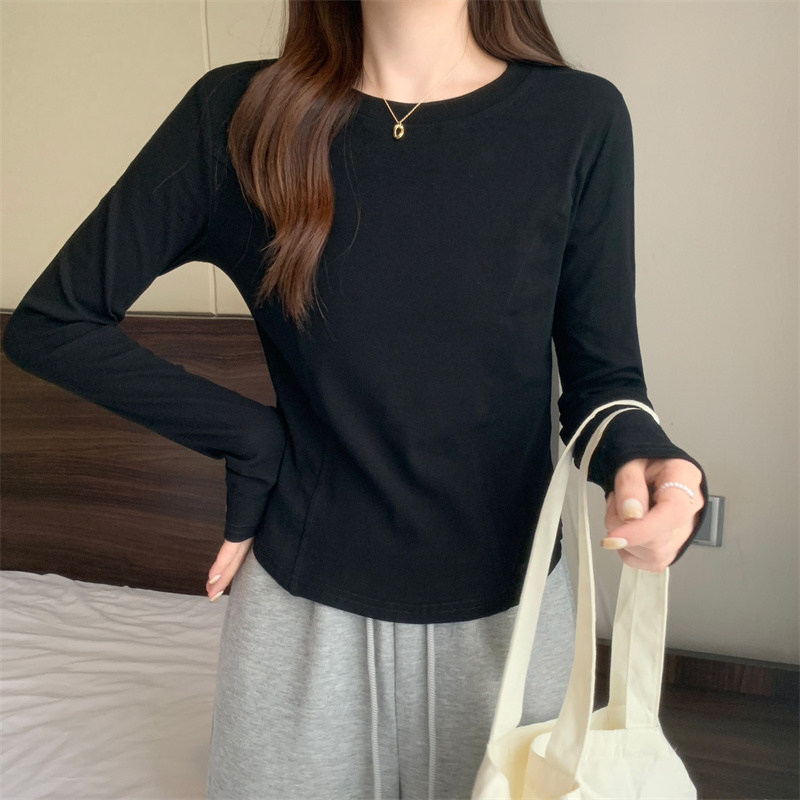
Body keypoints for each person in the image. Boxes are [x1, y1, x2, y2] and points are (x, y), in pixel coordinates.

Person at [1, 1, 710, 798]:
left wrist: (653, 461)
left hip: (510, 619)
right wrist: (251, 439)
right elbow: (53, 324)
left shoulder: (577, 119)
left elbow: (603, 381)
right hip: (301, 617)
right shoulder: (238, 117)